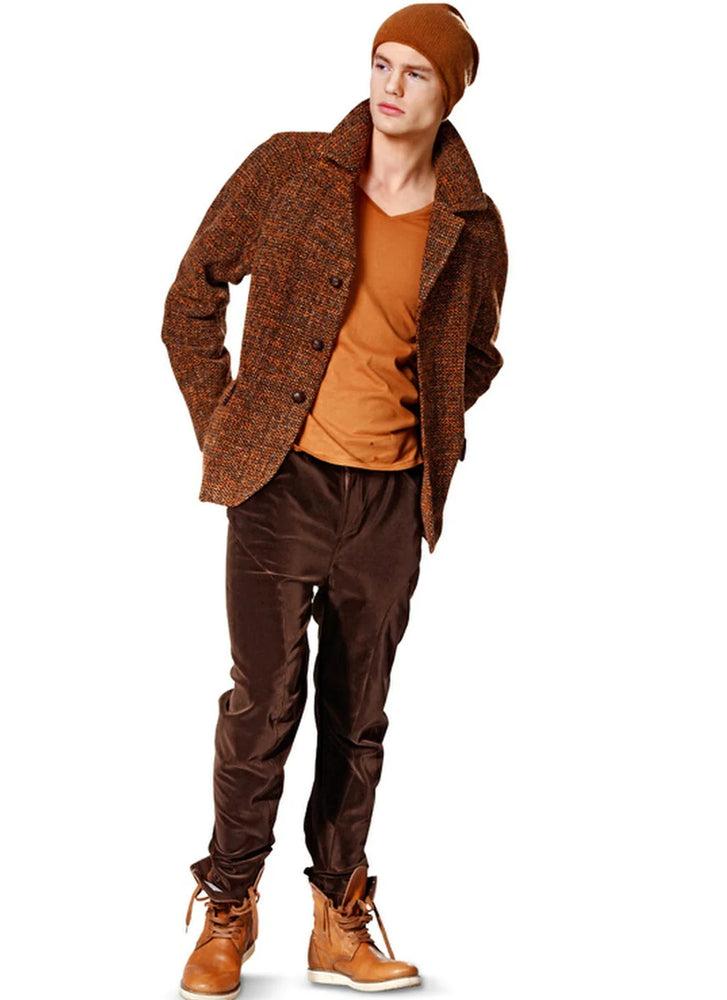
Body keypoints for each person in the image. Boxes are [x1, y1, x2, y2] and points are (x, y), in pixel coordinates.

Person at [162, 4, 508, 995]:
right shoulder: (289, 169)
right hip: (280, 483)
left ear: (449, 94)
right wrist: (229, 428)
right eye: (380, 63)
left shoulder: (472, 225)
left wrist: (425, 423)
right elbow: (191, 299)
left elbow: (476, 353)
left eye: (415, 73)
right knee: (262, 703)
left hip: (392, 501)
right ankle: (228, 907)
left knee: (359, 715)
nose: (389, 86)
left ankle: (335, 919)